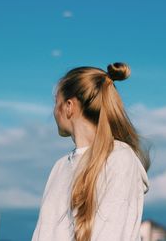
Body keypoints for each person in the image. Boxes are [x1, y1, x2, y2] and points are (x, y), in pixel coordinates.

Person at [31, 62, 150, 241]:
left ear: (69, 106)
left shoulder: (120, 159)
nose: (54, 111)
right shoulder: (60, 166)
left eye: (57, 102)